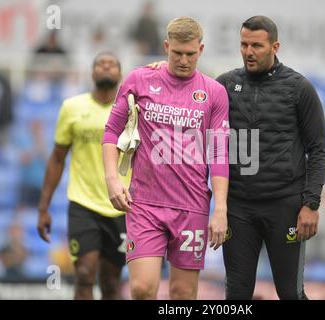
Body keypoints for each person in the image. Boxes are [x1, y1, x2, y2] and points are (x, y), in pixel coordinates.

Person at [102, 16, 229, 300]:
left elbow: (219, 151)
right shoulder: (139, 79)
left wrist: (219, 208)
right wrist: (112, 178)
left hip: (192, 205)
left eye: (190, 54)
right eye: (177, 53)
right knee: (142, 288)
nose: (184, 60)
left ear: (201, 50)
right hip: (145, 203)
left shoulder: (214, 93)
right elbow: (111, 131)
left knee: (183, 294)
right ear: (166, 46)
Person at [216, 16, 325, 300]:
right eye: (243, 44)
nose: (248, 52)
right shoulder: (225, 85)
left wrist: (311, 204)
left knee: (290, 292)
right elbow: (191, 97)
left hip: (284, 206)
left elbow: (317, 149)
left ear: (275, 46)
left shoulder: (300, 89)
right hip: (238, 208)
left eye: (256, 45)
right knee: (236, 294)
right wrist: (162, 71)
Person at [37, 52, 131, 300]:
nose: (106, 67)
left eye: (112, 64)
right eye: (101, 63)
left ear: (120, 75)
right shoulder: (72, 107)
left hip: (121, 207)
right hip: (83, 204)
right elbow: (57, 158)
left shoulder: (131, 111)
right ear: (92, 73)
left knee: (111, 282)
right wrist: (43, 207)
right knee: (85, 274)